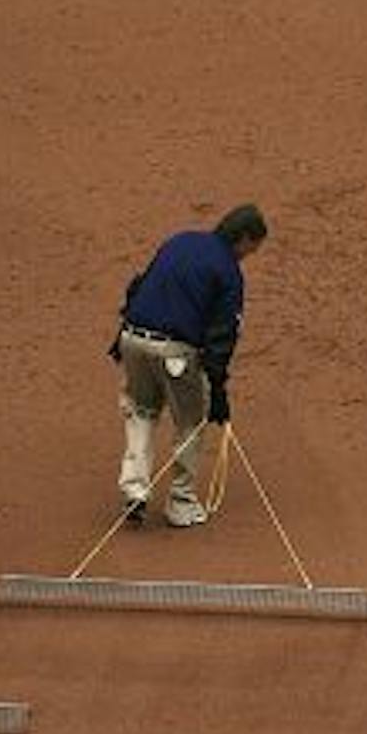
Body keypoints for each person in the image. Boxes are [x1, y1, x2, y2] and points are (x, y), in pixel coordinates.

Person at [112, 204, 268, 527]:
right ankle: (181, 503)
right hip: (175, 353)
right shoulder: (228, 272)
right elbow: (221, 335)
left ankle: (135, 488)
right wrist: (219, 388)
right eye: (251, 248)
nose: (248, 256)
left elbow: (139, 287)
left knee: (140, 411)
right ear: (242, 238)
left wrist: (121, 341)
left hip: (132, 340)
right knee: (190, 421)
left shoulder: (179, 240)